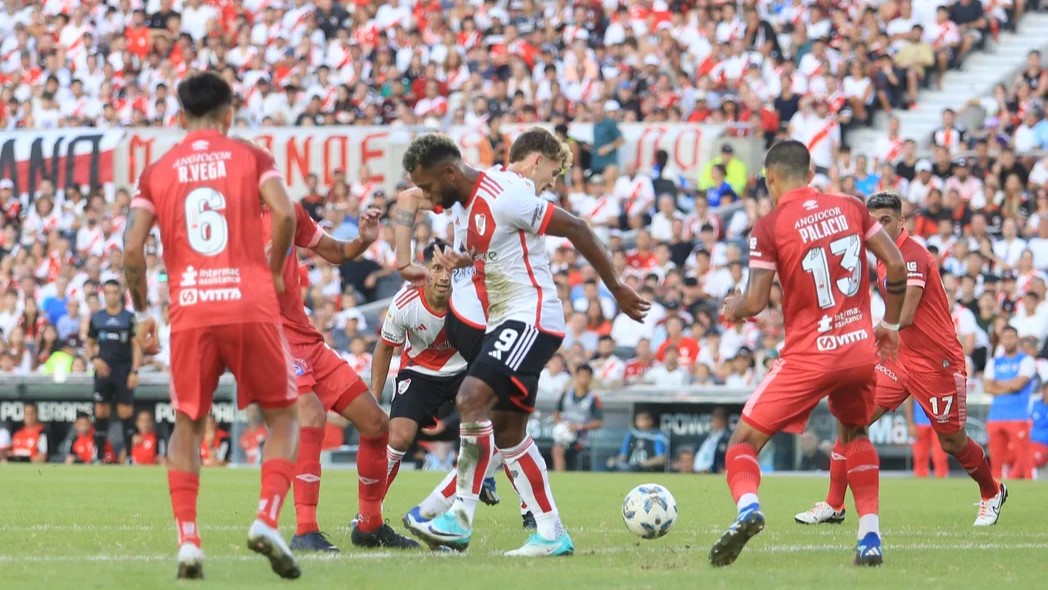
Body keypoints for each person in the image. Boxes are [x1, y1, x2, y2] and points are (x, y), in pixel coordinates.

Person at [400, 133, 649, 557]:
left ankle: (458, 516)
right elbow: (480, 242)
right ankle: (551, 532)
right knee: (510, 433)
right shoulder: (464, 203)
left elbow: (576, 227)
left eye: (428, 186)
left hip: (530, 318)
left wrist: (617, 288)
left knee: (470, 396)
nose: (425, 196)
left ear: (448, 173)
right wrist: (463, 259)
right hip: (506, 322)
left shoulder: (503, 195)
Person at [123, 71, 301, 580]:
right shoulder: (251, 157)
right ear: (229, 114)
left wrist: (141, 314)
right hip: (250, 304)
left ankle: (188, 542)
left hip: (192, 310)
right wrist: (272, 271)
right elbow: (284, 214)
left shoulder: (159, 169)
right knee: (284, 417)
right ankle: (267, 517)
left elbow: (132, 251)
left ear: (179, 117)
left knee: (188, 423)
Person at [715, 141, 907, 568]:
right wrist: (890, 324)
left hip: (808, 356)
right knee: (855, 435)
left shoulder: (768, 226)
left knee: (742, 443)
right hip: (858, 349)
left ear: (770, 178)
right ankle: (870, 536)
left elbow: (757, 301)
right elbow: (895, 266)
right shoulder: (853, 207)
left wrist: (733, 307)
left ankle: (748, 509)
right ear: (809, 171)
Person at [394, 128, 574, 530]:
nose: (552, 184)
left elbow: (411, 199)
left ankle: (531, 517)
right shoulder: (508, 188)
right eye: (554, 174)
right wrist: (405, 261)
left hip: (479, 317)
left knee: (505, 424)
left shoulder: (479, 189)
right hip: (484, 319)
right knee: (482, 409)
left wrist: (407, 259)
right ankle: (450, 510)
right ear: (536, 160)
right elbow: (411, 195)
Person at [796, 191, 1004, 527]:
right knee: (851, 422)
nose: (878, 227)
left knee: (952, 441)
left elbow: (903, 317)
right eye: (872, 221)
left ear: (901, 221)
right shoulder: (881, 255)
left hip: (937, 363)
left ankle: (991, 492)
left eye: (886, 221)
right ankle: (834, 504)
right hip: (899, 358)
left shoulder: (911, 256)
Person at [264, 193, 415, 552]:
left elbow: (335, 251)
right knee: (311, 413)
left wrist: (363, 238)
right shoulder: (228, 224)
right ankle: (305, 530)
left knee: (376, 423)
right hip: (271, 338)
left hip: (307, 340)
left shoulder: (288, 211)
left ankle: (370, 525)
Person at [372, 240, 477, 502]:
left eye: (449, 270)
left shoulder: (469, 297)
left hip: (463, 369)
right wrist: (373, 398)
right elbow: (384, 348)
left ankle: (528, 510)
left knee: (500, 427)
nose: (443, 277)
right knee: (398, 438)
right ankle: (370, 509)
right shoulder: (405, 302)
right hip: (419, 372)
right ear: (423, 270)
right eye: (436, 268)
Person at [86, 279, 141, 463]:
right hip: (103, 371)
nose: (111, 295)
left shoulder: (129, 318)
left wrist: (134, 371)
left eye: (114, 292)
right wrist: (94, 359)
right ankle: (99, 456)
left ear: (120, 294)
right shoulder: (97, 318)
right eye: (107, 292)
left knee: (125, 412)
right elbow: (90, 344)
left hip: (123, 370)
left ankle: (129, 456)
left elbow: (136, 346)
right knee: (101, 412)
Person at [984, 326, 1036, 480]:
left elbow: (1019, 384)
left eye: (1011, 337)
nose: (1008, 340)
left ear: (1017, 339)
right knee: (996, 461)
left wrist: (997, 385)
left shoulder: (1026, 360)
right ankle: (995, 493)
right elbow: (987, 387)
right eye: (1005, 337)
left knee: (1025, 458)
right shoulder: (994, 361)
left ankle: (1031, 490)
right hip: (996, 416)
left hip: (1018, 416)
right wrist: (1010, 387)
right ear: (1001, 340)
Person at [552, 364, 604, 472]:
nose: (583, 379)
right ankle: (559, 476)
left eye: (586, 376)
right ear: (576, 377)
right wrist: (561, 425)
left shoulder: (594, 399)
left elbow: (599, 422)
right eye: (581, 376)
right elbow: (557, 414)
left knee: (559, 450)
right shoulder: (566, 395)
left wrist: (578, 427)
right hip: (565, 434)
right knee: (557, 449)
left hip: (582, 437)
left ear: (590, 379)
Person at [907, 398, 949, 478]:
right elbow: (909, 401)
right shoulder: (915, 385)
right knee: (920, 456)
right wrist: (910, 424)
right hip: (920, 422)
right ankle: (920, 483)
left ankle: (942, 481)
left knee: (940, 456)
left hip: (939, 421)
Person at [694, 407, 731, 474]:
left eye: (719, 418)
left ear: (725, 420)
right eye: (714, 418)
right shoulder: (707, 436)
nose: (715, 421)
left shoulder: (728, 438)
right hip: (698, 472)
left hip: (715, 473)